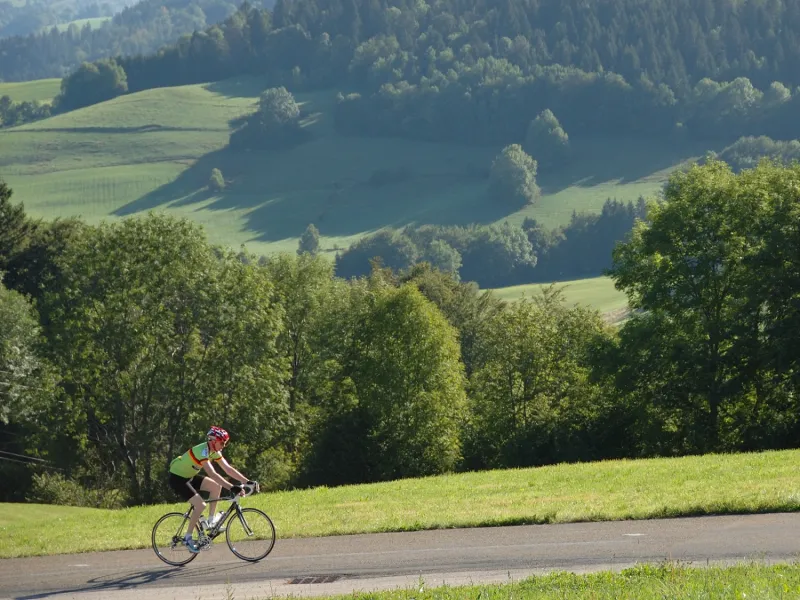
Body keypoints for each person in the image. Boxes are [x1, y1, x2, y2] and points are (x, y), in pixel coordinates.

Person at [168, 426, 253, 553]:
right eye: (222, 443)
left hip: (189, 476)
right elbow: (212, 474)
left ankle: (211, 520)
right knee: (201, 505)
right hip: (177, 479)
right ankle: (187, 538)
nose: (224, 446)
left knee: (215, 486)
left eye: (225, 443)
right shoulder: (202, 451)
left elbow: (228, 469)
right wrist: (231, 487)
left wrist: (247, 481)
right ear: (213, 441)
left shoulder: (214, 451)